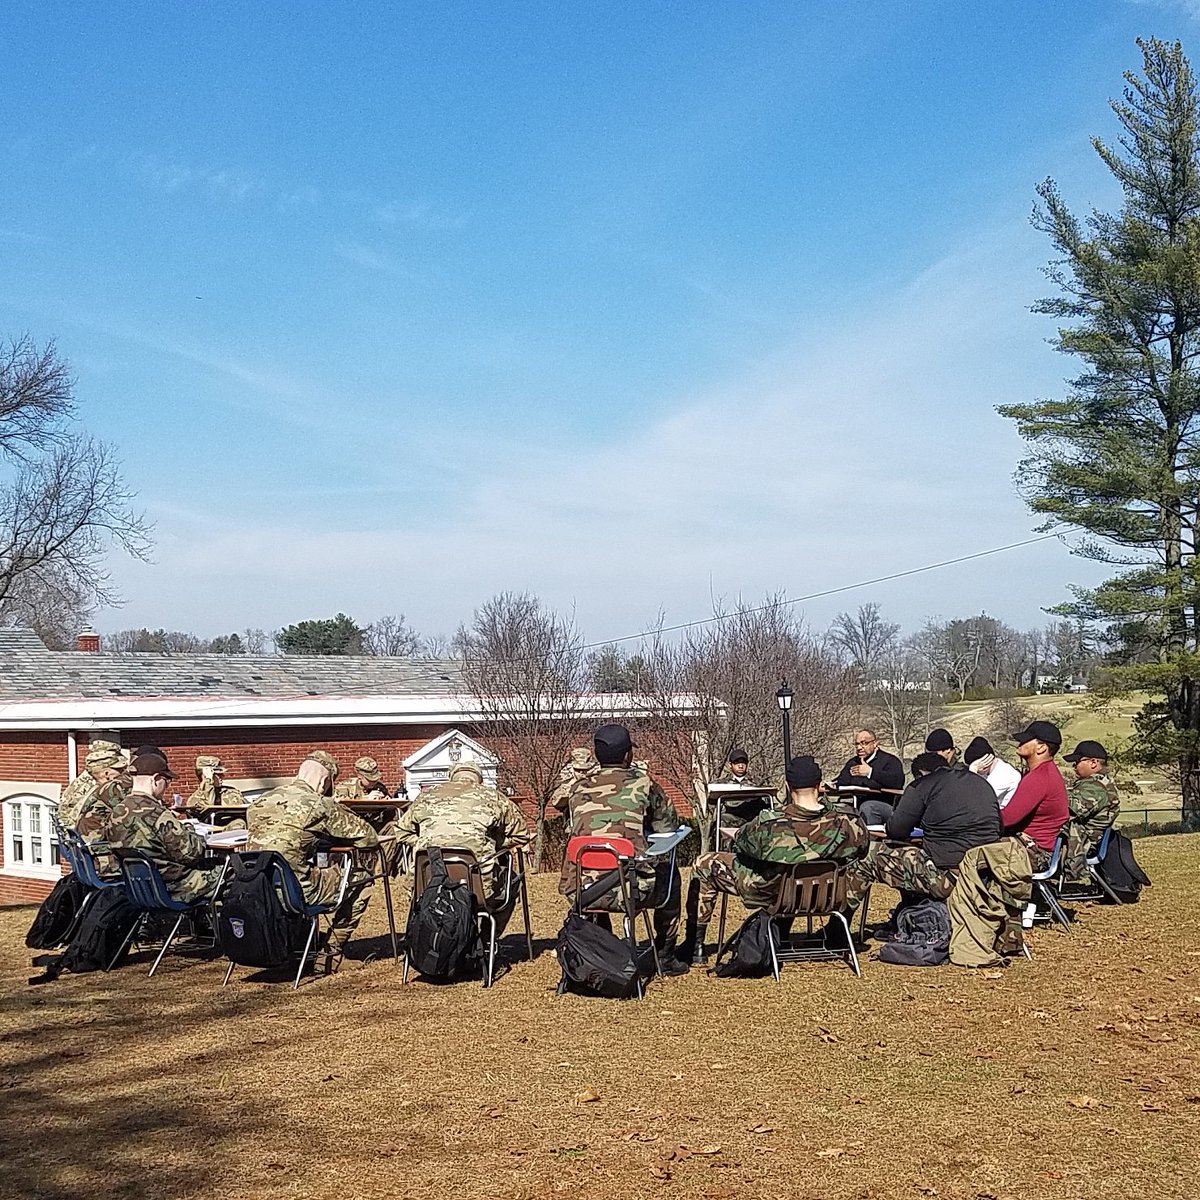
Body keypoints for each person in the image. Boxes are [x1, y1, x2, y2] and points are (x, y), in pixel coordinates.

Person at [686, 755, 872, 965]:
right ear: (820, 786)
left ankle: (695, 945)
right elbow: (863, 850)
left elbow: (740, 843)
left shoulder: (770, 823)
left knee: (704, 864)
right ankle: (837, 932)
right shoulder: (849, 820)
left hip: (774, 894)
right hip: (829, 895)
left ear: (787, 786)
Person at [554, 722, 687, 975]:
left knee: (598, 870)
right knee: (671, 876)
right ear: (628, 755)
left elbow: (573, 830)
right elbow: (667, 825)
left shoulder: (577, 789)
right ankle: (665, 955)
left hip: (584, 891)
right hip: (632, 890)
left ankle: (602, 949)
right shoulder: (644, 783)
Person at [246, 750, 380, 971]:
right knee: (362, 879)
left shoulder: (260, 801)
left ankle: (301, 943)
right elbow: (368, 838)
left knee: (303, 867)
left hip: (259, 888)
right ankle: (330, 954)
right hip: (297, 891)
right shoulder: (318, 804)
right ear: (325, 781)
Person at [393, 760, 531, 932]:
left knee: (421, 893)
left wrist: (426, 844)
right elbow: (521, 834)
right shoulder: (493, 796)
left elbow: (401, 832)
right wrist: (490, 843)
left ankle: (421, 941)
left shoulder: (426, 797)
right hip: (478, 889)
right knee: (513, 881)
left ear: (452, 778)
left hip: (425, 886)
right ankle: (487, 941)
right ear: (479, 780)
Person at [86, 750, 223, 903]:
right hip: (175, 887)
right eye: (167, 781)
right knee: (232, 873)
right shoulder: (158, 814)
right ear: (156, 779)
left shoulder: (116, 812)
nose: (167, 787)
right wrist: (192, 832)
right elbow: (191, 853)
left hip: (140, 888)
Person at [874, 751, 1001, 901]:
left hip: (948, 875)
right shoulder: (981, 783)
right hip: (988, 870)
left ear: (921, 773)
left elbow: (895, 830)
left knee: (871, 856)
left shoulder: (921, 785)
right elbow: (999, 826)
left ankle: (843, 919)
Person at [1003, 721, 1070, 873]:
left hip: (1034, 853)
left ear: (1041, 748)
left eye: (1026, 740)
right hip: (1038, 848)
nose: (1020, 743)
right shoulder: (1046, 772)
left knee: (968, 852)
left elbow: (1006, 819)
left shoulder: (1039, 777)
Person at [1062, 739, 1120, 884]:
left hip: (1081, 844)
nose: (1074, 766)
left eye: (1077, 761)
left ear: (1093, 763)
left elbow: (1067, 810)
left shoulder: (1095, 788)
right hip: (1082, 842)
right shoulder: (1097, 783)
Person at [831, 729, 905, 826]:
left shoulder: (890, 761)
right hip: (857, 804)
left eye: (864, 743)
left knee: (868, 807)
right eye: (857, 744)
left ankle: (870, 840)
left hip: (886, 806)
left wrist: (870, 773)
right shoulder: (853, 762)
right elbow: (842, 781)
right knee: (836, 808)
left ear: (875, 744)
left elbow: (897, 782)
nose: (859, 748)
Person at [57, 742, 130, 829]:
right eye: (120, 770)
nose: (123, 773)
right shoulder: (96, 792)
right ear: (106, 773)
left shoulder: (88, 781)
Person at [962, 736, 1022, 810]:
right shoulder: (986, 773)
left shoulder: (1007, 775)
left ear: (984, 763)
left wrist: (973, 772)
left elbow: (976, 800)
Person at [548, 747, 601, 813]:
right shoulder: (566, 781)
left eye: (585, 770)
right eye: (578, 770)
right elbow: (556, 802)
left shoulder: (599, 778)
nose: (581, 773)